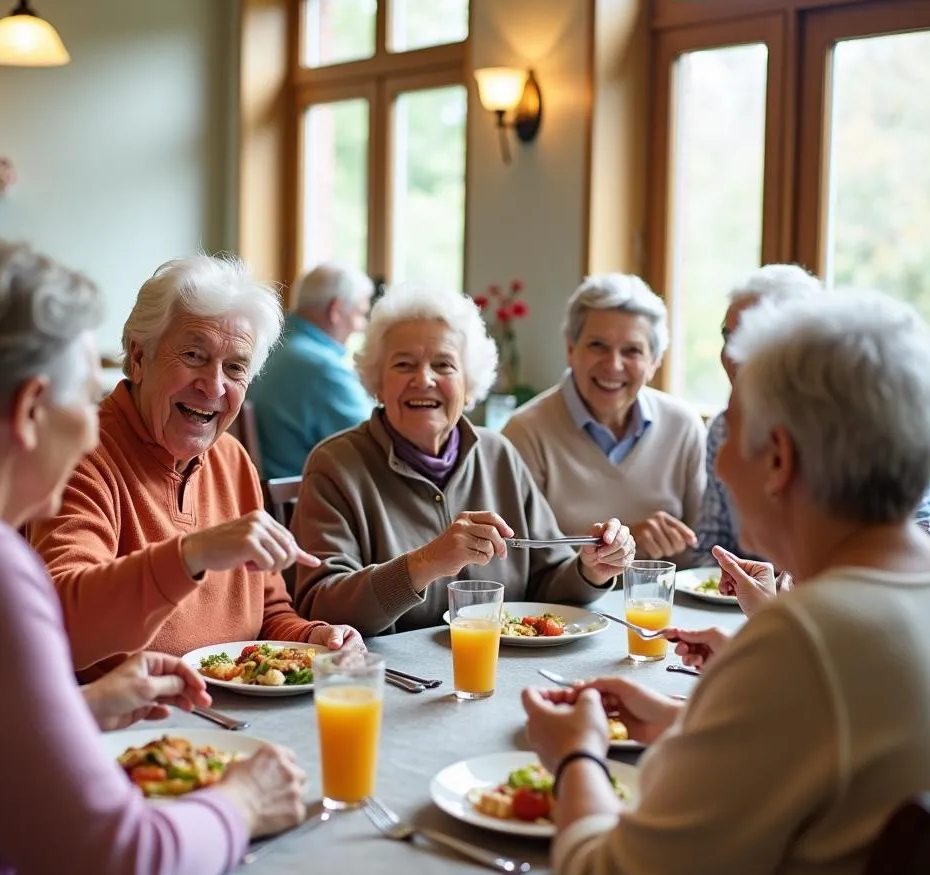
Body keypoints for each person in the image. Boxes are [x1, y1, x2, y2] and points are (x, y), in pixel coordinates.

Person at [0, 238, 307, 875]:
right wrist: (245, 802)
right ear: (32, 409)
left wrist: (76, 708)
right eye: (78, 397)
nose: (94, 425)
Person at [521, 288, 930, 875]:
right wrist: (689, 724)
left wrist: (576, 758)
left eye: (731, 431)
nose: (717, 464)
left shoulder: (805, 640)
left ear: (779, 459)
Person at [29, 254, 361, 676]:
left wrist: (313, 637)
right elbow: (64, 623)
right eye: (193, 355)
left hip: (226, 721)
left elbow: (267, 611)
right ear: (138, 357)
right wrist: (195, 553)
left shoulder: (232, 460)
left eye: (235, 367)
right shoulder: (83, 455)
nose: (214, 385)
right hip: (128, 727)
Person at [291, 283, 635, 633]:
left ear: (469, 387)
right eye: (404, 364)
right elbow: (321, 605)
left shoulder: (498, 454)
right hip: (393, 679)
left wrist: (590, 570)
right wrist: (426, 562)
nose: (423, 379)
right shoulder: (335, 464)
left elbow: (547, 580)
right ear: (377, 382)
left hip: (503, 670)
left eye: (443, 365)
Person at [502, 274, 705, 563]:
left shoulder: (683, 426)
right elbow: (517, 555)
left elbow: (706, 546)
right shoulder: (525, 432)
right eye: (598, 346)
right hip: (564, 608)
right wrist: (618, 545)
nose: (613, 365)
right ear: (571, 350)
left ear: (654, 363)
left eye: (632, 351)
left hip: (666, 606)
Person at [692, 263, 823, 563]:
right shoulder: (722, 430)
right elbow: (710, 548)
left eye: (749, 338)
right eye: (727, 337)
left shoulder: (848, 430)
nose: (730, 354)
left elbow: (919, 531)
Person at [251, 263, 375, 479]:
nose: (362, 326)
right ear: (335, 310)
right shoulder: (321, 368)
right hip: (306, 499)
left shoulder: (269, 345)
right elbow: (376, 445)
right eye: (361, 314)